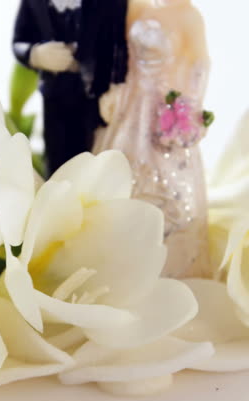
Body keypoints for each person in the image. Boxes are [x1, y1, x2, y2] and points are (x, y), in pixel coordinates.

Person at [93, 0, 212, 279]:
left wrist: (189, 107)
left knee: (167, 177)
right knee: (122, 167)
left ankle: (169, 261)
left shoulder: (188, 15)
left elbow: (200, 64)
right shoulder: (136, 7)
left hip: (164, 103)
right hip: (133, 100)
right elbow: (121, 55)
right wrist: (116, 90)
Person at [13, 0, 128, 174]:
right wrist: (34, 54)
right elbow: (19, 41)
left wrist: (115, 86)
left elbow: (120, 44)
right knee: (56, 160)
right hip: (54, 95)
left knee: (92, 159)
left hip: (94, 95)